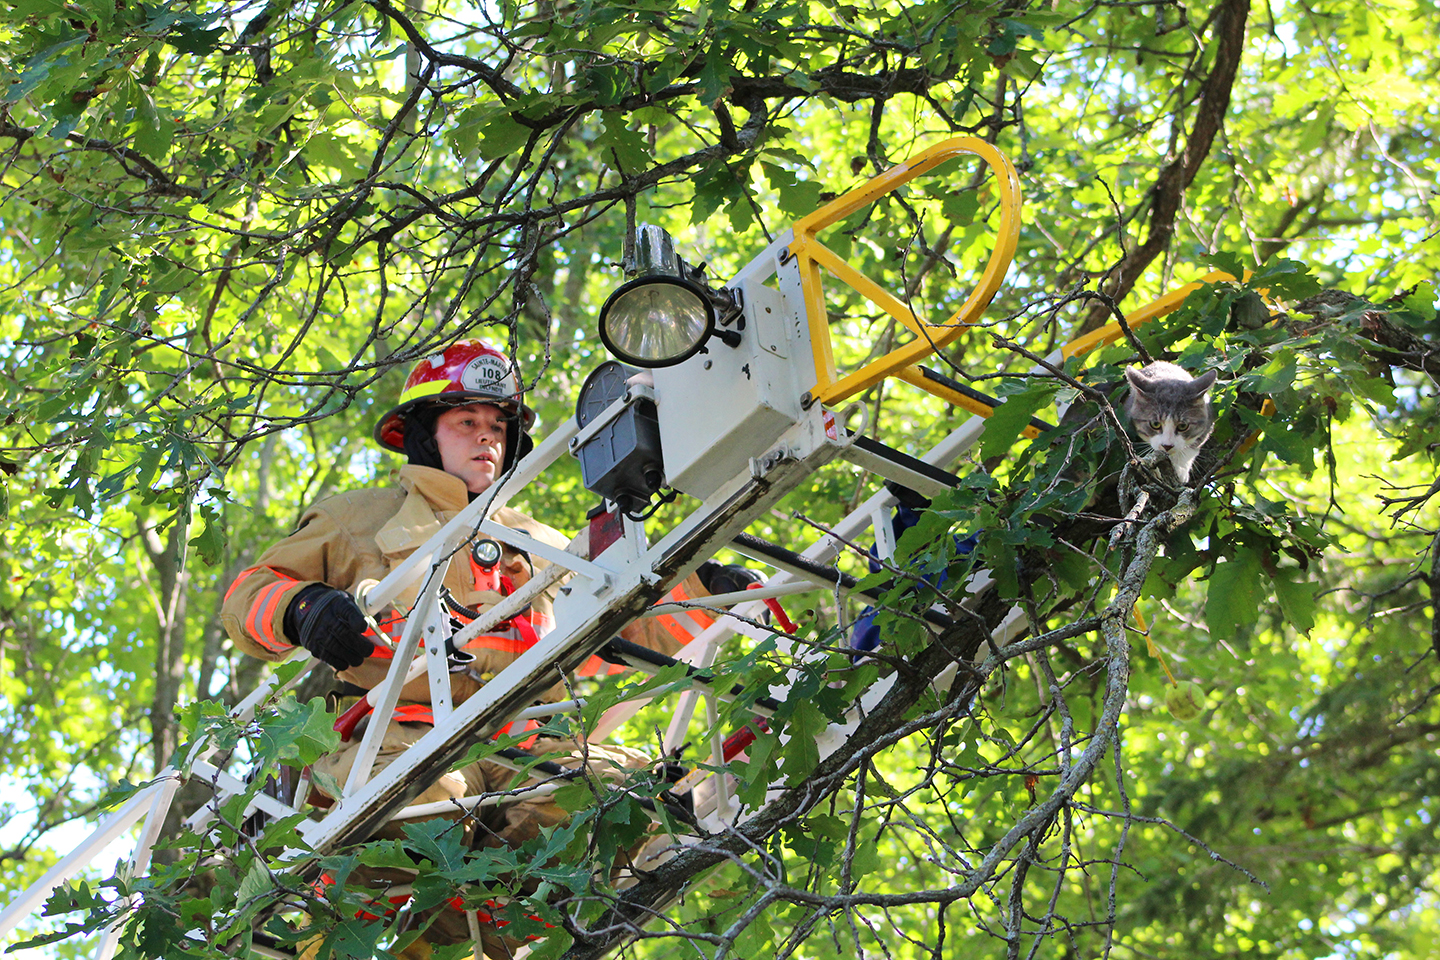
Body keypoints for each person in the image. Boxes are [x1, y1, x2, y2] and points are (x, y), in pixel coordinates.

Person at [221, 338, 755, 958]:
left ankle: (496, 934)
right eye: (466, 421)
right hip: (400, 738)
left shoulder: (543, 543)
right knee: (433, 805)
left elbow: (630, 630)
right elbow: (249, 594)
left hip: (524, 745)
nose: (487, 438)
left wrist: (699, 590)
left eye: (498, 425)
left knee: (620, 795)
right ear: (424, 434)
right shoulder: (358, 518)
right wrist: (304, 608)